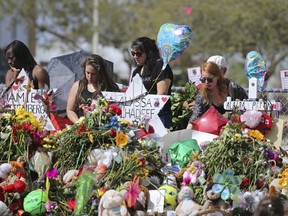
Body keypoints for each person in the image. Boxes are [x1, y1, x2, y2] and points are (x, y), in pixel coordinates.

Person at [186, 61, 247, 129]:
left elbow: (247, 104)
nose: (206, 82)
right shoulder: (202, 94)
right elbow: (195, 116)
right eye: (203, 79)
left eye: (210, 79)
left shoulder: (232, 88)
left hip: (236, 129)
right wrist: (186, 134)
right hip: (215, 131)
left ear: (217, 76)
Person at [130, 37, 173, 128]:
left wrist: (149, 115)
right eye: (133, 53)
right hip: (139, 118)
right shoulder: (136, 72)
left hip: (159, 117)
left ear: (149, 53)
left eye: (138, 53)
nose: (135, 56)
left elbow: (161, 94)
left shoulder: (161, 65)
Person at [66, 54, 119, 124]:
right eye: (87, 73)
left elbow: (116, 110)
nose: (89, 77)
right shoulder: (78, 86)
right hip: (82, 128)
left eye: (93, 74)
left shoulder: (110, 88)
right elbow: (70, 110)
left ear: (100, 73)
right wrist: (78, 123)